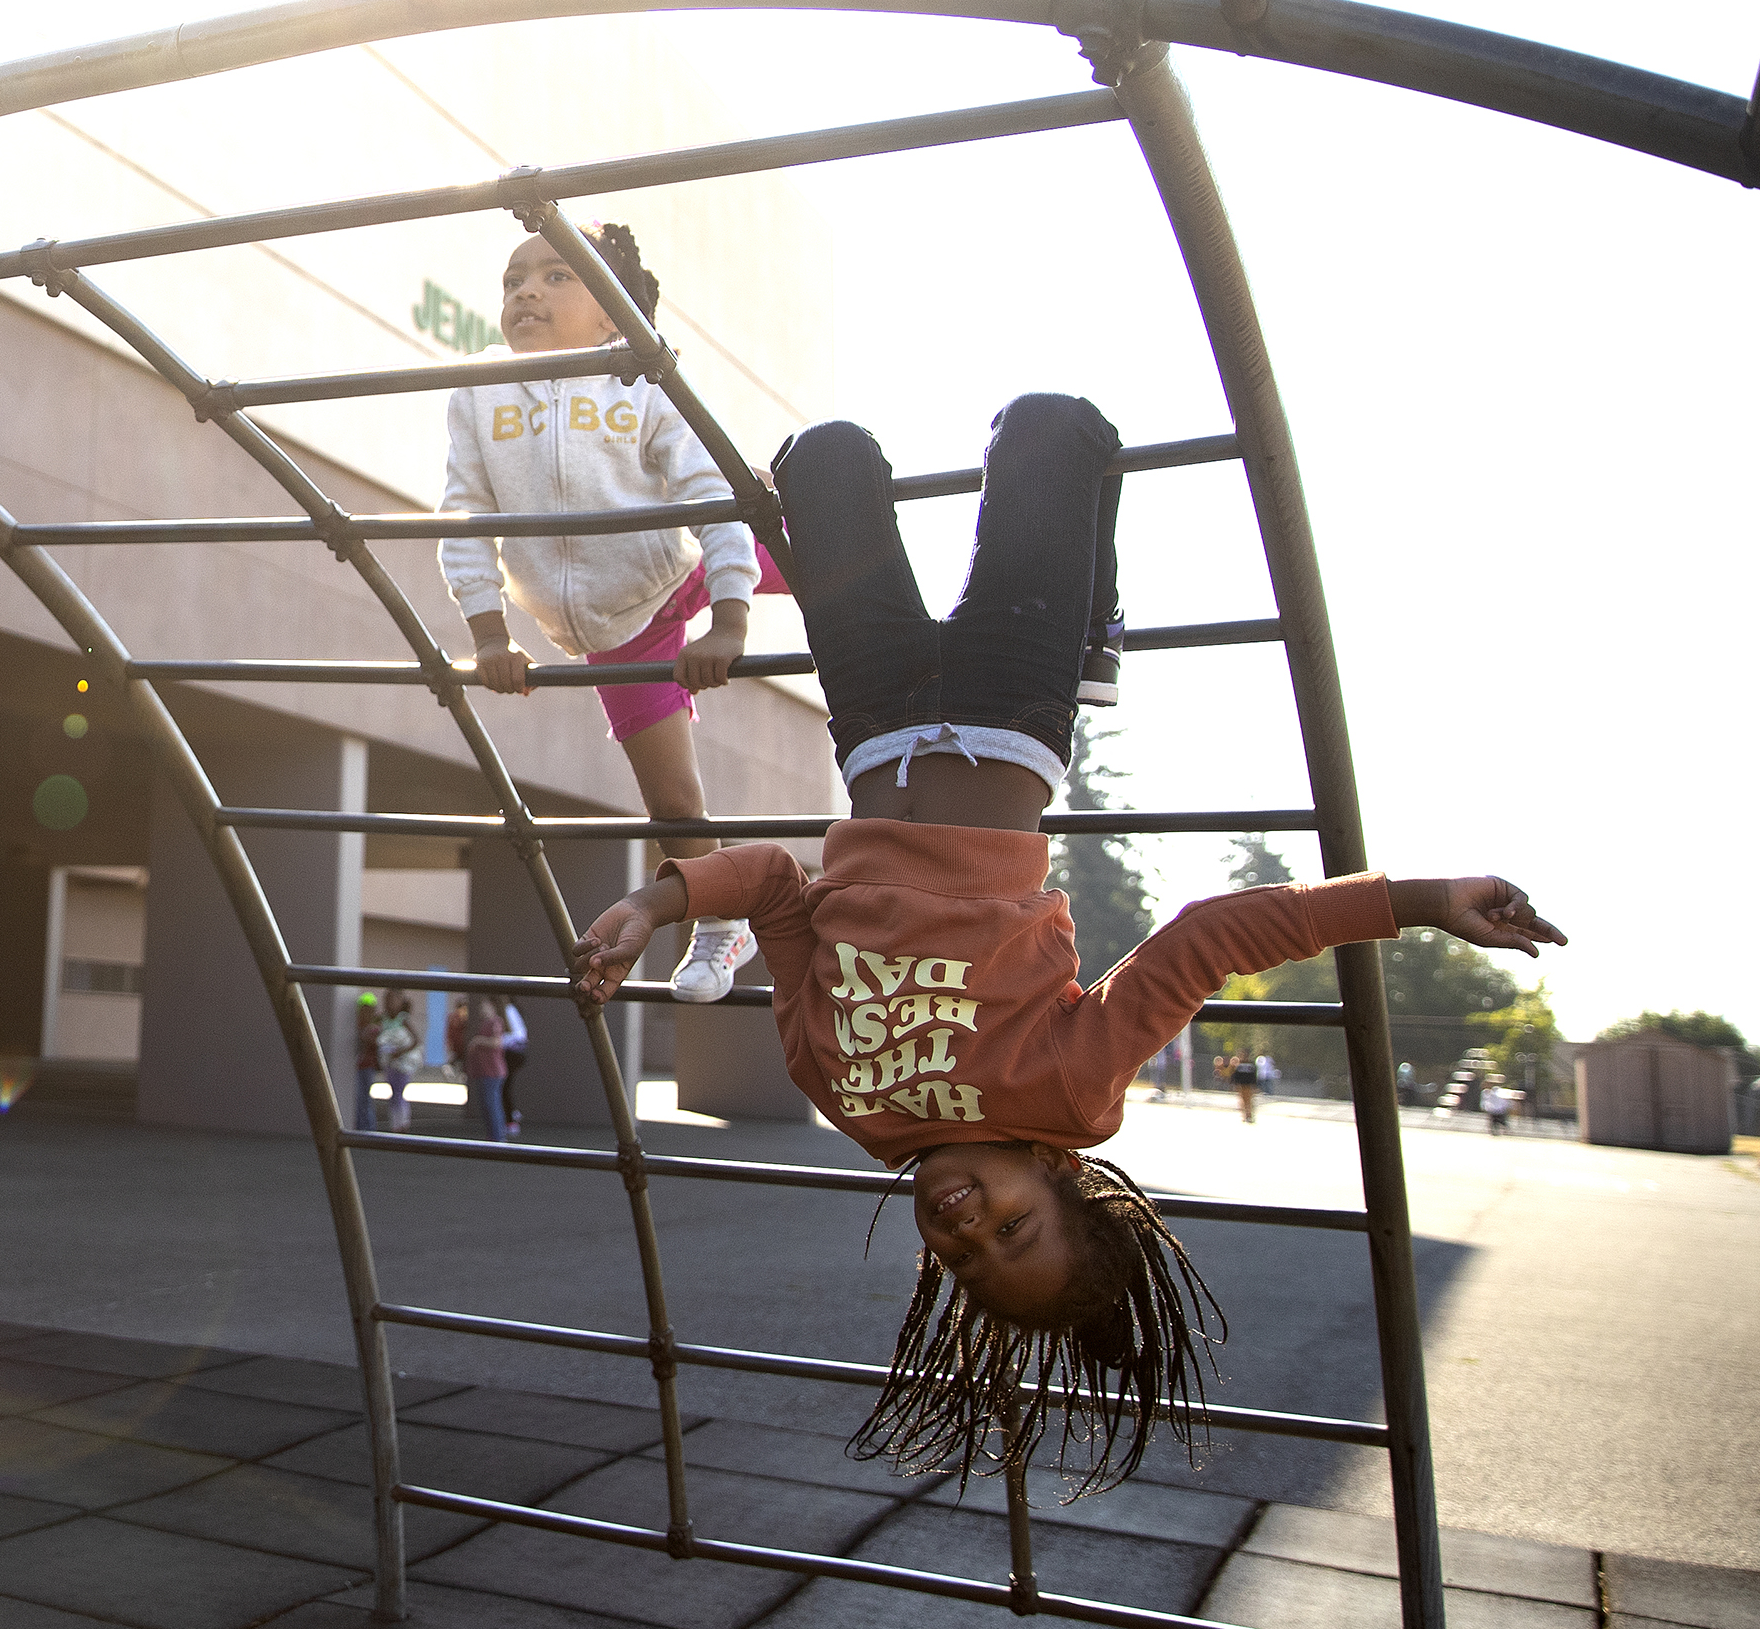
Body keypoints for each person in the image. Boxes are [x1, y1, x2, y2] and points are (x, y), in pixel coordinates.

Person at [570, 398, 1565, 1496]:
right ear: (1060, 1178)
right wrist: (1418, 899)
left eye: (964, 1258)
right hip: (1014, 706)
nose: (968, 1227)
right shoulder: (1068, 1089)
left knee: (824, 456)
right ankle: (1095, 633)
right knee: (1053, 428)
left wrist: (656, 901)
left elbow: (776, 888)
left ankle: (1018, 589)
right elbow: (1208, 938)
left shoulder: (847, 1098)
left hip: (873, 718)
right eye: (1014, 1227)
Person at [440, 222, 793, 1005]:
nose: (526, 291)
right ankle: (720, 923)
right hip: (616, 628)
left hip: (681, 565)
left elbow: (709, 497)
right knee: (673, 804)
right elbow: (464, 516)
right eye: (513, 280)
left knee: (800, 543)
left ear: (611, 310)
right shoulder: (480, 391)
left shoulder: (641, 378)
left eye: (556, 275)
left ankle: (885, 590)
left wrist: (729, 622)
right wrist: (489, 635)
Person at [462, 996, 511, 1141]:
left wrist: (478, 1041)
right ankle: (493, 1135)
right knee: (487, 1105)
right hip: (484, 1071)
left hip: (493, 1072)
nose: (481, 1008)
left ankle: (498, 1137)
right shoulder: (486, 1023)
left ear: (492, 1006)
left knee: (492, 1105)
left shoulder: (496, 1022)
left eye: (484, 1005)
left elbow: (497, 1042)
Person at [374, 988, 421, 1133]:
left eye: (393, 1001)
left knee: (399, 1092)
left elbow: (416, 1040)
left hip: (403, 1063)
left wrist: (400, 1051)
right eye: (387, 1000)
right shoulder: (382, 1018)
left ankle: (402, 1123)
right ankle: (396, 1123)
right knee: (394, 1092)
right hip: (389, 1062)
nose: (389, 1004)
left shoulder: (403, 1019)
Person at [351, 991, 384, 1133]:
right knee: (359, 1098)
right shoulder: (355, 1027)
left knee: (364, 1098)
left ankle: (368, 1128)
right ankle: (361, 1126)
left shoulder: (374, 1028)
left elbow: (377, 1045)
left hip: (367, 1067)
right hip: (358, 1066)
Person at [499, 999, 528, 1136]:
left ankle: (510, 1121)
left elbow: (515, 1036)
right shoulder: (511, 1010)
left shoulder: (507, 1010)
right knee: (505, 1087)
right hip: (516, 1053)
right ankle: (512, 1114)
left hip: (512, 1054)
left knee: (504, 1087)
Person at [1235, 1054, 1261, 1124]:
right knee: (1248, 1102)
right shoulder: (1250, 1067)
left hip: (1245, 1086)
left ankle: (1247, 1115)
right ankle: (1248, 1115)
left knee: (1245, 1102)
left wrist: (1236, 1086)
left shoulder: (1240, 1067)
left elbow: (1236, 1077)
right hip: (1246, 1086)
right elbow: (1254, 1077)